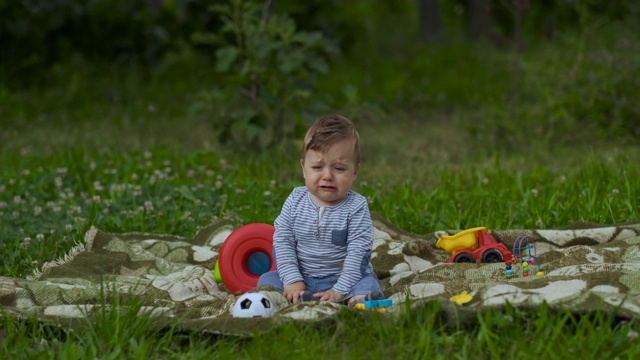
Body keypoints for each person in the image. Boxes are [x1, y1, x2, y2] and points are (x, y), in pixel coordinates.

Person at [257, 114, 383, 306]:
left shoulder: (356, 207)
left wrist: (339, 290)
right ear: (303, 168)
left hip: (343, 278)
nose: (327, 176)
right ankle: (284, 298)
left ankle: (360, 301)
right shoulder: (295, 200)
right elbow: (282, 241)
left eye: (339, 169)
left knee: (368, 282)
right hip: (301, 275)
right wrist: (292, 280)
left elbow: (359, 254)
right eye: (317, 167)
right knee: (267, 280)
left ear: (355, 171)